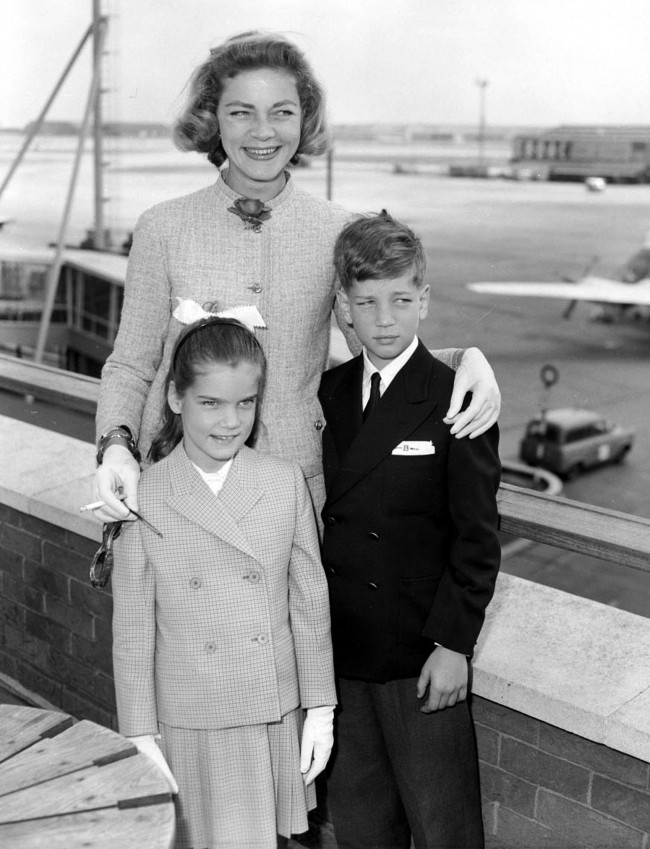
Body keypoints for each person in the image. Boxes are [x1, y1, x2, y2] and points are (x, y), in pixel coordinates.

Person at [93, 30, 500, 524]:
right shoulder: (162, 227)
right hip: (176, 481)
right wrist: (115, 447)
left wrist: (466, 360)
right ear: (212, 119)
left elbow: (378, 348)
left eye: (281, 111)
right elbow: (131, 365)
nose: (263, 132)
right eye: (241, 112)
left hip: (297, 492)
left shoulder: (339, 230)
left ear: (303, 119)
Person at [112, 317, 336, 849]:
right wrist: (139, 731)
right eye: (210, 402)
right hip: (190, 715)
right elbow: (135, 626)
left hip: (271, 710)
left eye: (246, 403)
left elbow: (309, 602)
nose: (229, 422)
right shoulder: (144, 495)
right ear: (174, 397)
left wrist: (321, 707)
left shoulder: (283, 482)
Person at [318, 211, 501, 849]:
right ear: (344, 309)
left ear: (424, 301)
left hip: (422, 656)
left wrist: (455, 646)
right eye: (367, 303)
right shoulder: (326, 393)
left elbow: (477, 539)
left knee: (444, 829)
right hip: (342, 655)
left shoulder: (457, 397)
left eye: (400, 300)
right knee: (365, 829)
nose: (385, 318)